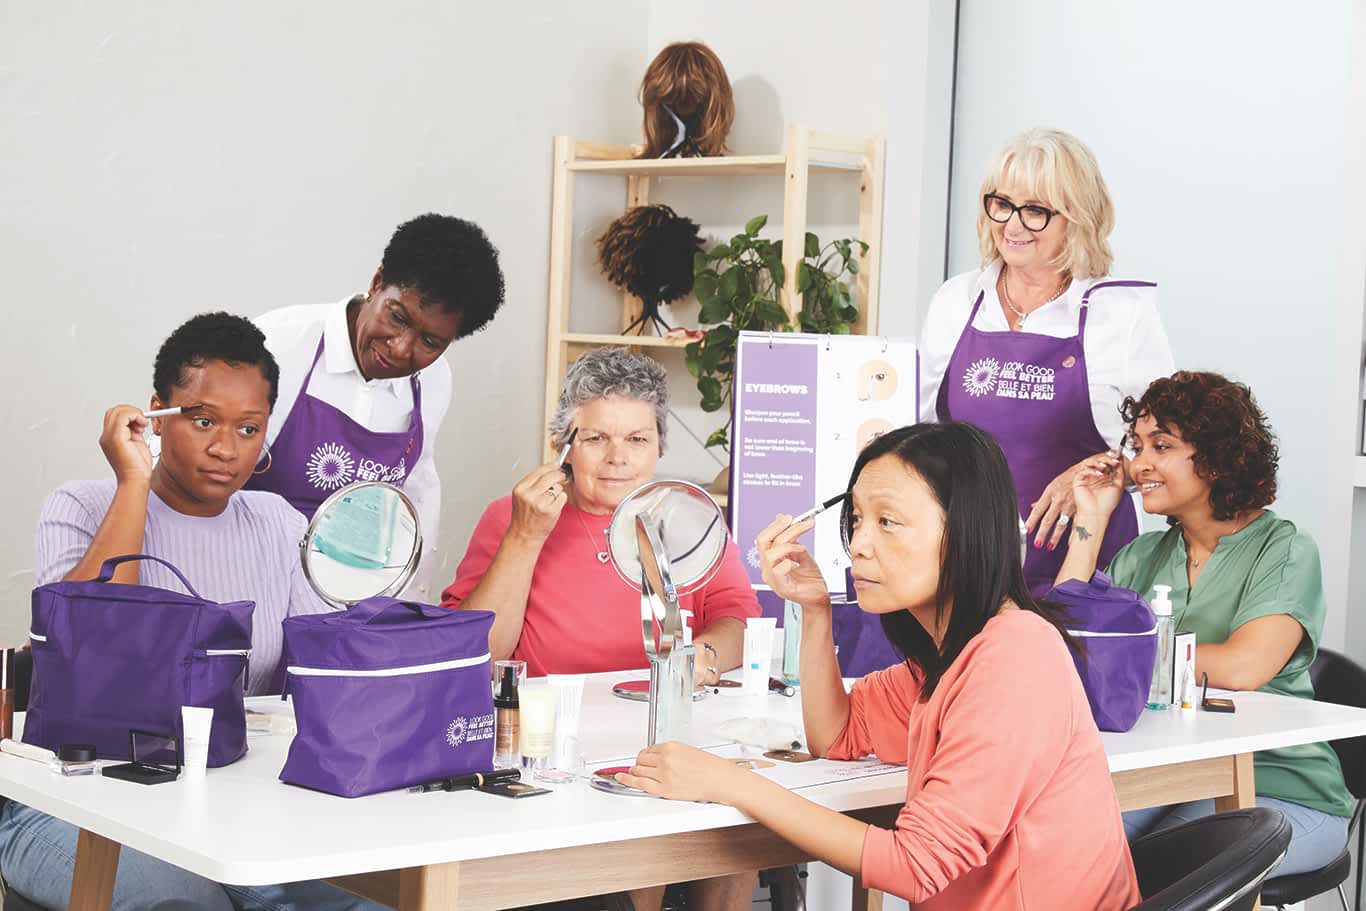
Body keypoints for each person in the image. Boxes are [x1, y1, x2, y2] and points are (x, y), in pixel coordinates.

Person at [615, 423, 1140, 909]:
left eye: (888, 522)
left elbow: (915, 865)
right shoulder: (945, 656)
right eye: (858, 520)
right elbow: (838, 735)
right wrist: (814, 611)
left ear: (965, 531)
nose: (859, 546)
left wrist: (733, 783)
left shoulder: (1015, 656)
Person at [0, 313, 384, 910]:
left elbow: (323, 677)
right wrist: (134, 479)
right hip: (74, 805)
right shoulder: (80, 506)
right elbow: (91, 648)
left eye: (249, 428)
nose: (225, 448)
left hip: (231, 806)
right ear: (156, 413)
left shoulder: (280, 524)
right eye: (203, 420)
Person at [443, 347, 758, 911]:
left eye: (638, 439)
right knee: (643, 824)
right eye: (596, 439)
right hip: (554, 748)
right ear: (563, 446)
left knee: (737, 834)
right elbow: (479, 653)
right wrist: (524, 537)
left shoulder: (688, 519)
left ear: (660, 445)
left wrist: (698, 659)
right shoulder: (512, 516)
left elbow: (737, 619)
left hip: (664, 732)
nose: (618, 458)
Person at [1058, 370, 1353, 876]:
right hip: (1165, 769)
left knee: (1155, 871)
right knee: (1062, 847)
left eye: (1161, 445)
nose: (1139, 463)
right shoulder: (1143, 555)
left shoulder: (1283, 549)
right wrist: (1092, 519)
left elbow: (1243, 668)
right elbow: (1059, 642)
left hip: (1278, 784)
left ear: (1218, 459)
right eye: (1136, 445)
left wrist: (1114, 660)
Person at [919, 127, 1173, 594]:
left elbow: (1167, 451)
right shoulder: (957, 301)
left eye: (1035, 210)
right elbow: (918, 436)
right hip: (968, 563)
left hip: (1083, 562)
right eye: (1001, 204)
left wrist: (1095, 470)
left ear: (1077, 218)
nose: (1012, 226)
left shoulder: (1119, 312)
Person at [248, 213, 505, 601]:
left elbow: (417, 489)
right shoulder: (278, 344)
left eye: (430, 342)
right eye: (397, 317)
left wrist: (406, 606)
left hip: (350, 605)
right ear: (376, 283)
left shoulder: (434, 382)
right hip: (251, 589)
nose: (401, 348)